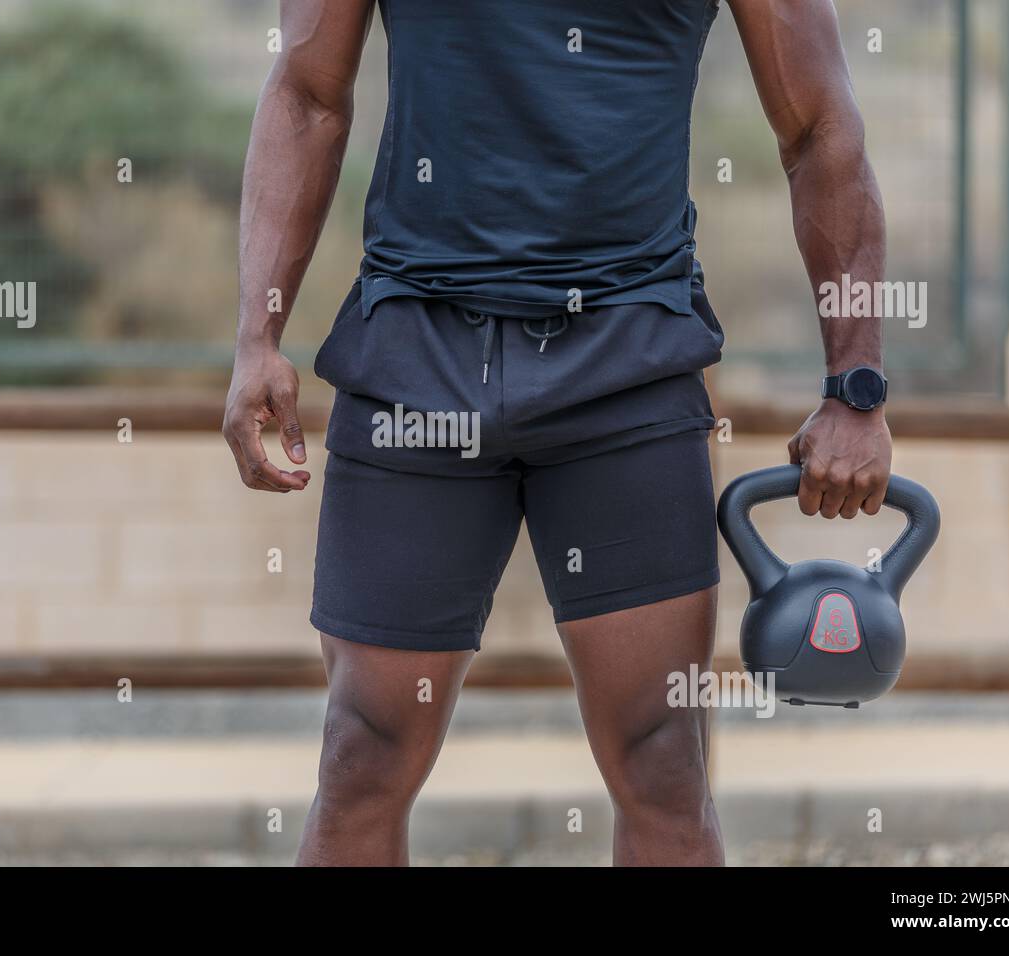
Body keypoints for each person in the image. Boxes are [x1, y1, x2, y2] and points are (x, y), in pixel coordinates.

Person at [224, 0, 891, 866]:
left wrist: (856, 387)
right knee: (363, 752)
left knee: (663, 763)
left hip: (628, 360)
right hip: (415, 358)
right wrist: (257, 335)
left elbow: (818, 125)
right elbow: (308, 94)